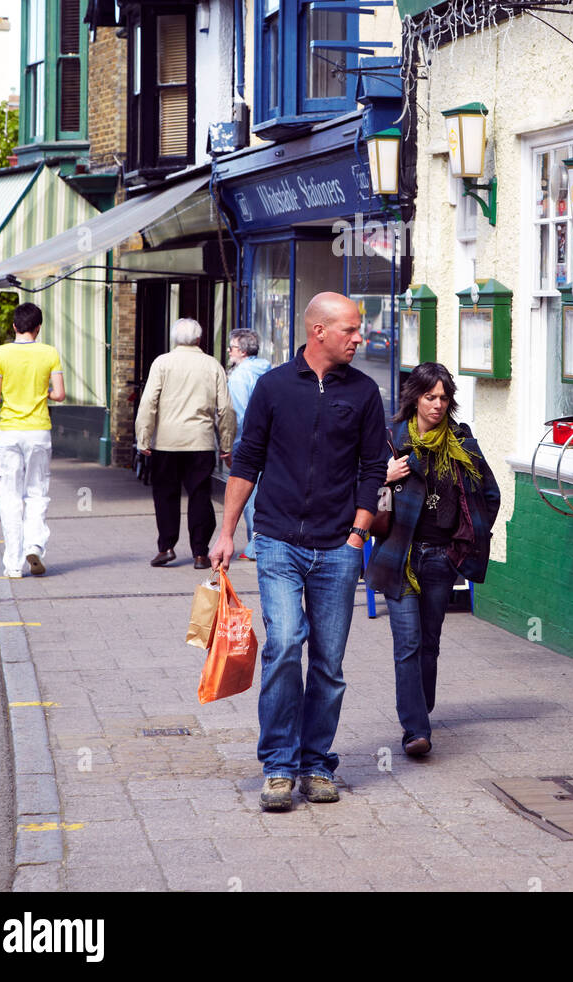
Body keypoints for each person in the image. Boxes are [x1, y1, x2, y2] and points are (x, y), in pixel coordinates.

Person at [210, 292, 387, 812]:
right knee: (285, 644)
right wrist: (227, 533)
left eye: (359, 330)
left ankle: (316, 763)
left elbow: (373, 468)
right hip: (278, 541)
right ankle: (279, 766)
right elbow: (247, 460)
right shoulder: (274, 387)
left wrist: (357, 534)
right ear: (319, 331)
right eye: (351, 330)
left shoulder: (364, 393)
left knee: (329, 664)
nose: (360, 338)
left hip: (338, 547)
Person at [365, 362, 500, 758]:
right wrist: (383, 478)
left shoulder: (462, 443)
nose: (438, 405)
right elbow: (359, 491)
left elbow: (489, 495)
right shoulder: (391, 442)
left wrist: (468, 541)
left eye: (444, 398)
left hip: (442, 559)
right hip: (399, 557)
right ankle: (415, 730)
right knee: (407, 642)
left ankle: (418, 711)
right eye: (430, 397)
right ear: (415, 399)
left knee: (429, 643)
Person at [135, 318, 236, 570]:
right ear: (200, 340)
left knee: (165, 495)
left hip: (166, 441)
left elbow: (149, 403)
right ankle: (200, 553)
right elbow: (226, 409)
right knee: (200, 495)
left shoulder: (162, 363)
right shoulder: (213, 365)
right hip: (200, 441)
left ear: (174, 339)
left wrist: (143, 437)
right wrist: (226, 443)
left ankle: (166, 547)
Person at [0, 301, 65, 579]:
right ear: (38, 328)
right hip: (39, 431)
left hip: (10, 432)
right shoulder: (49, 353)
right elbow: (60, 394)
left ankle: (13, 565)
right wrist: (42, 393)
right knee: (37, 493)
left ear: (15, 326)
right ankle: (35, 545)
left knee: (9, 497)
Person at [226, 327, 270, 562]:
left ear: (242, 351)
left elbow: (238, 414)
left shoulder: (240, 376)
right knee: (261, 493)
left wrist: (231, 445)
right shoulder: (267, 369)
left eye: (231, 348)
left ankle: (255, 546)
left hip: (247, 442)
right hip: (269, 441)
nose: (229, 352)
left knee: (247, 495)